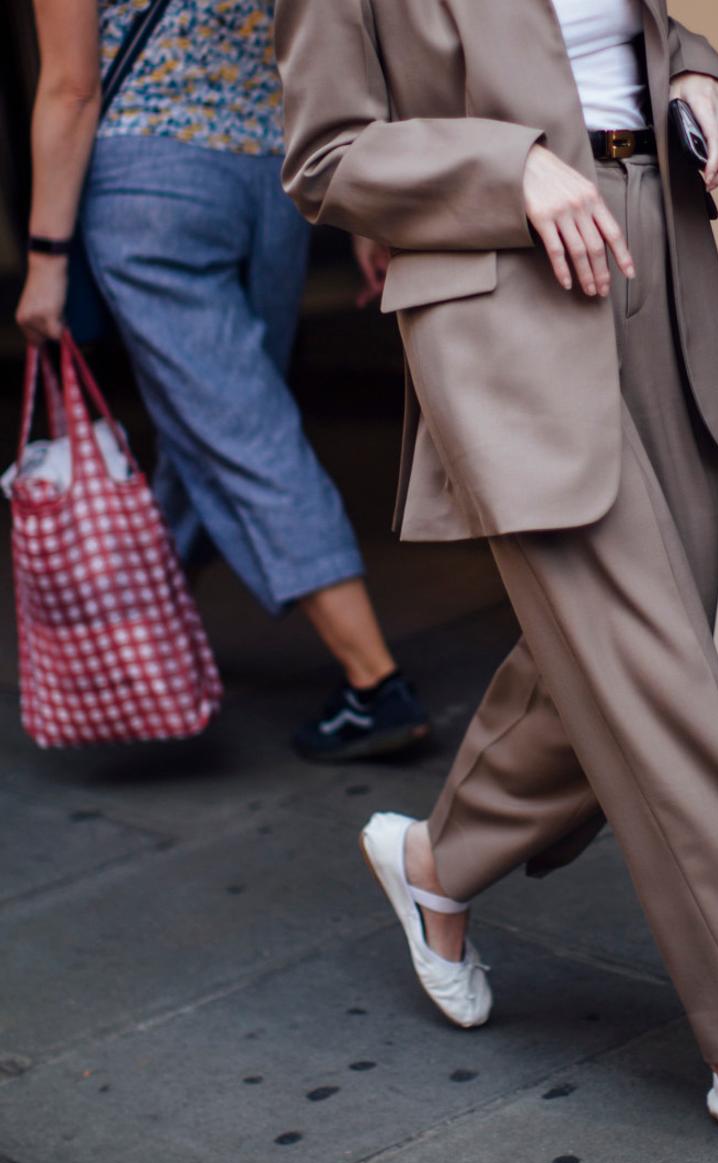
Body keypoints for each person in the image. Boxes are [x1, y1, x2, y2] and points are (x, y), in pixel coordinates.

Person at [276, 0, 718, 1163]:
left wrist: (699, 78)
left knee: (616, 664)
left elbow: (640, 32)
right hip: (504, 303)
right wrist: (511, 171)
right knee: (653, 684)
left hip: (659, 252)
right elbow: (328, 157)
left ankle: (433, 866)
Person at [13, 0, 430, 762]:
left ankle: (376, 684)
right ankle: (138, 631)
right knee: (214, 415)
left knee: (240, 427)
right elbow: (321, 49)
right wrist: (362, 214)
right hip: (269, 184)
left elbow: (71, 87)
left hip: (149, 185)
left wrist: (45, 257)